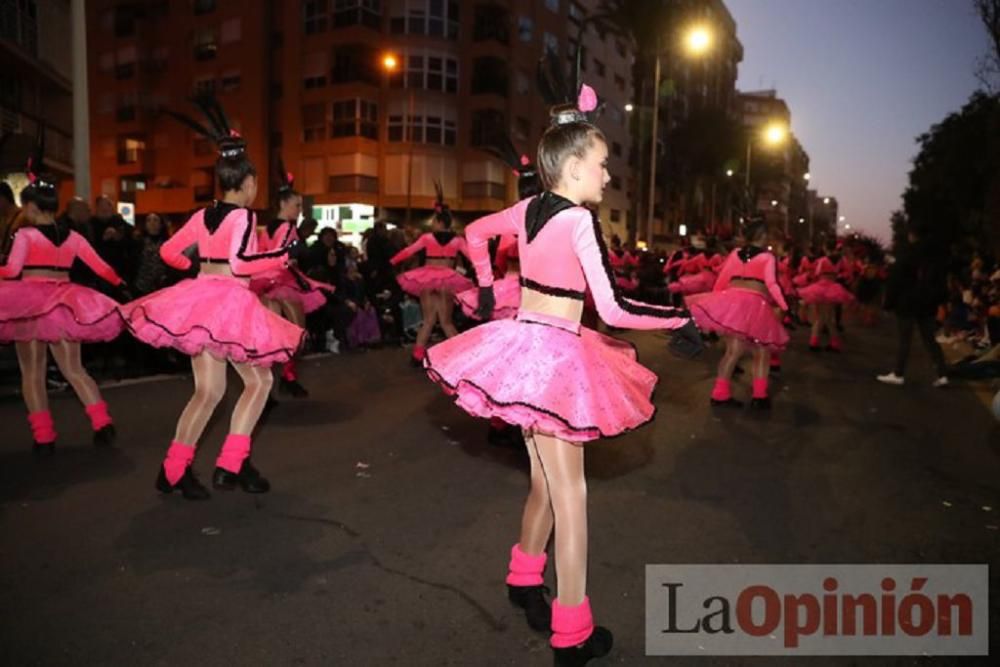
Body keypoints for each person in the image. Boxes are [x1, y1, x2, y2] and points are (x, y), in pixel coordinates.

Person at [422, 83, 699, 666]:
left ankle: (525, 576)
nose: (606, 176)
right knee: (572, 495)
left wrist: (484, 284)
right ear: (574, 167)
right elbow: (617, 309)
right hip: (556, 361)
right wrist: (678, 318)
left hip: (524, 353)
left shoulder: (526, 209)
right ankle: (572, 632)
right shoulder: (578, 222)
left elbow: (475, 234)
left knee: (547, 482)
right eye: (601, 165)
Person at [120, 95, 304, 499]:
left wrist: (199, 273)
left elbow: (169, 252)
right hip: (230, 307)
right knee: (259, 382)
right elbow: (240, 264)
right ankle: (230, 463)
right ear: (250, 183)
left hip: (199, 303)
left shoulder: (202, 215)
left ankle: (173, 471)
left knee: (208, 393)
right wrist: (283, 255)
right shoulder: (245, 215)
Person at [0, 140, 126, 454]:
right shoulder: (74, 236)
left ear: (30, 207)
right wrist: (122, 284)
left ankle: (44, 437)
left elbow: (13, 269)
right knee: (74, 369)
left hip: (28, 305)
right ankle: (102, 422)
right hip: (65, 303)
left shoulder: (25, 235)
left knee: (33, 373)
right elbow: (101, 267)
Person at [250, 165, 335, 397]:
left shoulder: (267, 227)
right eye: (297, 205)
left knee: (272, 337)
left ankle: (267, 387)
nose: (300, 210)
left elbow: (263, 254)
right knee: (296, 335)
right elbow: (280, 257)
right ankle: (286, 378)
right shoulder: (287, 228)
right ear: (283, 204)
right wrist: (296, 262)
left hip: (265, 283)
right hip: (283, 282)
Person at [686, 221, 789, 409]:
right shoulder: (767, 257)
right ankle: (760, 396)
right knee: (762, 351)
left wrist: (714, 306)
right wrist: (784, 305)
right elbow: (772, 284)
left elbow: (722, 280)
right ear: (763, 236)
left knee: (732, 352)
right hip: (756, 305)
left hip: (733, 303)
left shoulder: (734, 254)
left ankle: (720, 394)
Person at [389, 182, 473, 366]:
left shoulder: (427, 238)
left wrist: (393, 261)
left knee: (428, 321)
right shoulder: (458, 241)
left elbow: (408, 251)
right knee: (446, 322)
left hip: (426, 279)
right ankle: (464, 355)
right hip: (447, 281)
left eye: (435, 220)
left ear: (440, 221)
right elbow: (472, 257)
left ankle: (417, 356)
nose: (433, 222)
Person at [877, 227, 949, 387]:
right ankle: (942, 374)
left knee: (905, 340)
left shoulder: (906, 254)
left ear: (911, 235)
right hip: (927, 304)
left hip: (907, 303)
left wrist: (888, 303)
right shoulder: (935, 256)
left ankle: (898, 373)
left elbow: (896, 280)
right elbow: (941, 281)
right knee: (930, 339)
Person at [798, 240, 855, 352]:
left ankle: (814, 341)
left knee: (821, 317)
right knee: (828, 318)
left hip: (821, 288)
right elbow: (848, 273)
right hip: (833, 288)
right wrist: (837, 275)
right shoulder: (841, 260)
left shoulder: (823, 260)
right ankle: (833, 343)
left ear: (826, 247)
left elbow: (816, 274)